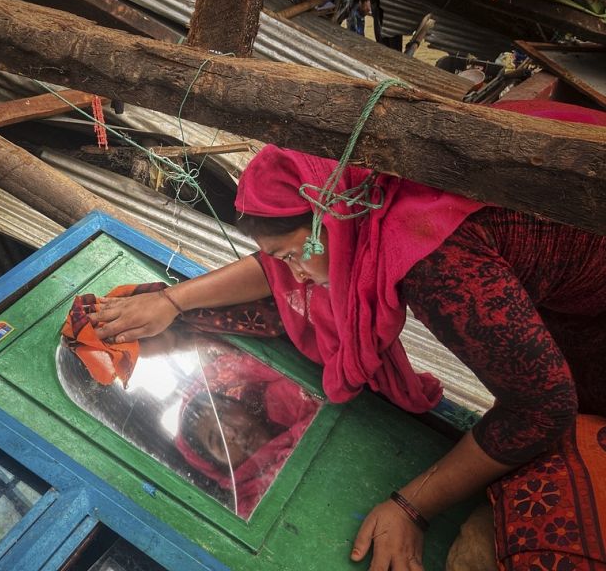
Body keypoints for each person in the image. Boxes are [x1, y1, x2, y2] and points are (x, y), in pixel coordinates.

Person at [89, 100, 606, 570]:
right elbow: (276, 267)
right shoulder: (371, 190)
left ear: (328, 222)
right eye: (283, 260)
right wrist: (173, 302)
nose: (295, 276)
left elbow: (543, 407)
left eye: (294, 256)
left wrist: (412, 505)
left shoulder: (434, 263)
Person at [175, 350, 320, 519]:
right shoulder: (253, 510)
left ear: (237, 402)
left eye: (223, 413)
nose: (232, 433)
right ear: (221, 467)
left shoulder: (286, 394)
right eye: (219, 441)